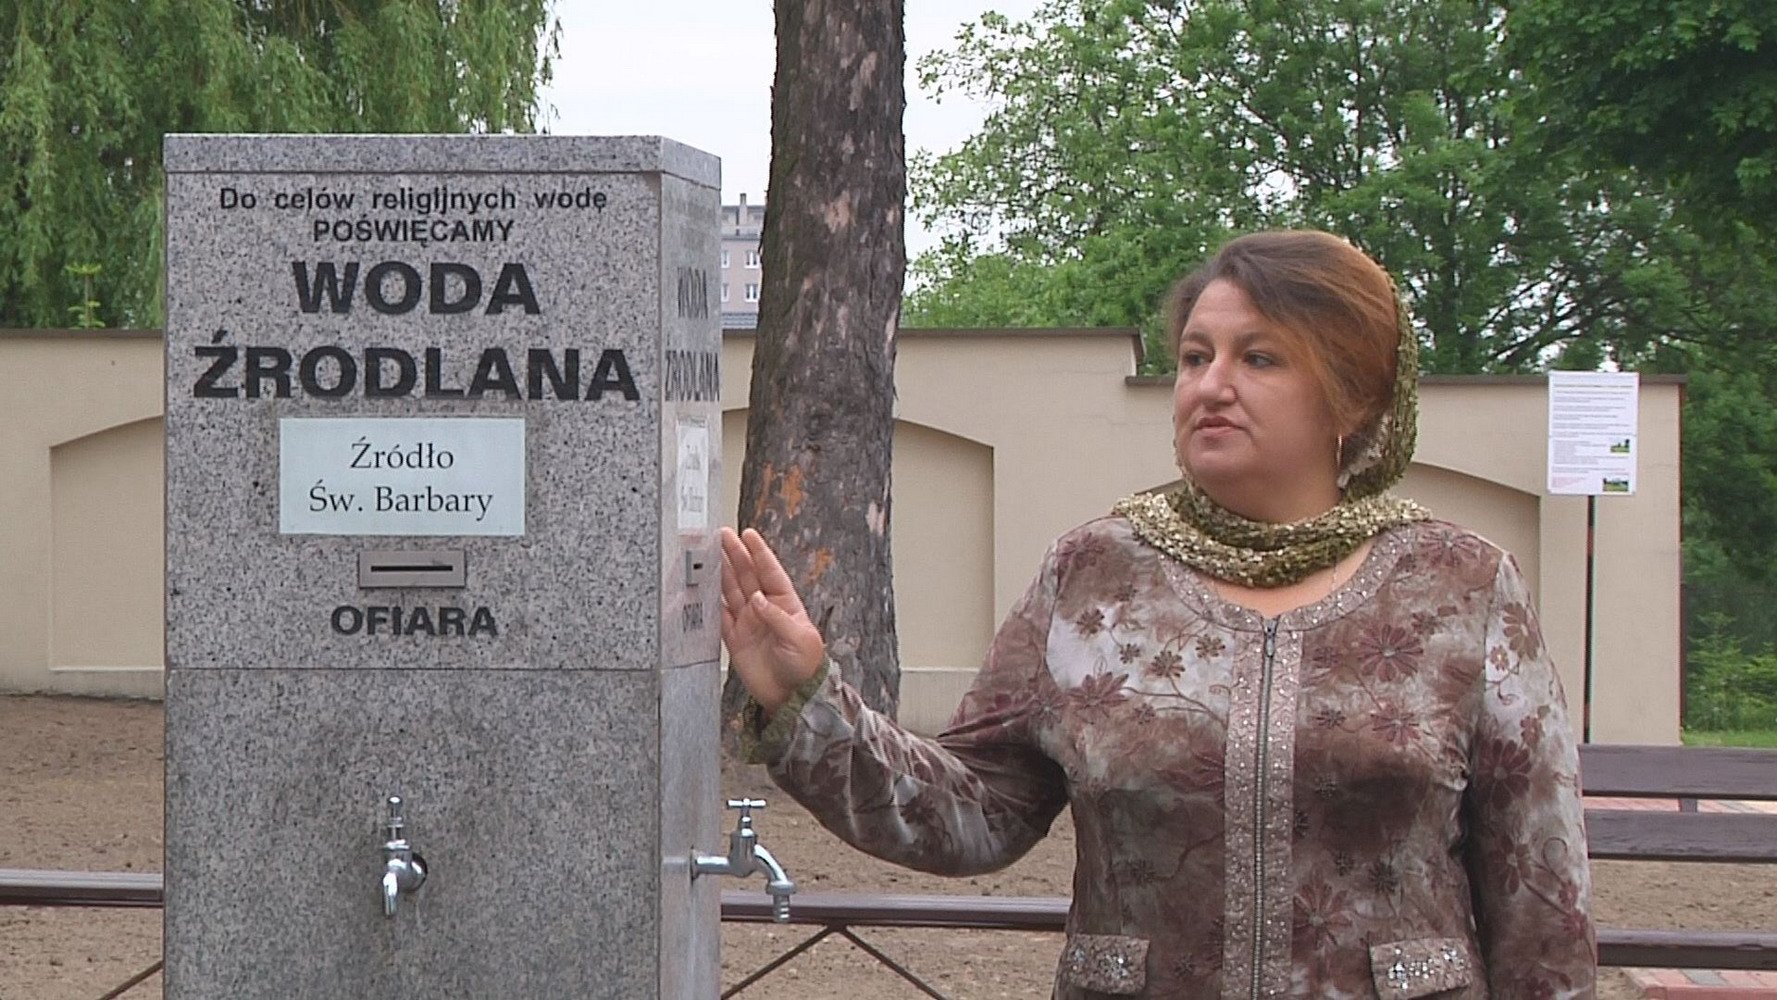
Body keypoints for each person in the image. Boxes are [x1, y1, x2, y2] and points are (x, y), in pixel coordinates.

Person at [719, 230, 1595, 998]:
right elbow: (975, 810)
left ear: (1355, 395)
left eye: (1259, 359)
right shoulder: (1095, 574)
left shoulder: (1459, 585)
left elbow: (1539, 887)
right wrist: (809, 699)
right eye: (1193, 357)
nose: (1211, 385)